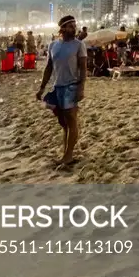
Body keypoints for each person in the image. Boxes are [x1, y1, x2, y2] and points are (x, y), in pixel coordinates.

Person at [35, 16, 87, 168]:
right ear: (62, 29)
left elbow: (83, 68)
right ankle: (66, 153)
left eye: (74, 25)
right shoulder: (53, 46)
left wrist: (81, 87)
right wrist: (42, 87)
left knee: (71, 120)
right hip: (58, 86)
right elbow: (49, 68)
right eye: (70, 26)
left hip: (72, 86)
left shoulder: (79, 45)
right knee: (63, 123)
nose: (74, 28)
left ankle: (68, 155)